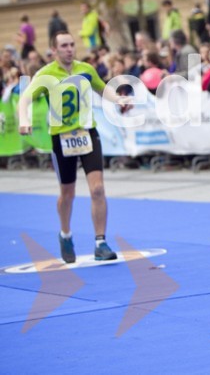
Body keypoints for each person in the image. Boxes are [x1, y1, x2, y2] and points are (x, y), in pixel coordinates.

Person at [17, 31, 131, 263]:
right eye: (64, 46)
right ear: (54, 50)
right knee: (67, 194)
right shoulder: (46, 74)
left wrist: (118, 99)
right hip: (62, 137)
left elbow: (102, 89)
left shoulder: (85, 69)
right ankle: (65, 234)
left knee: (97, 189)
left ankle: (100, 242)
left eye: (71, 44)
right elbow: (25, 99)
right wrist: (24, 120)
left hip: (87, 133)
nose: (69, 49)